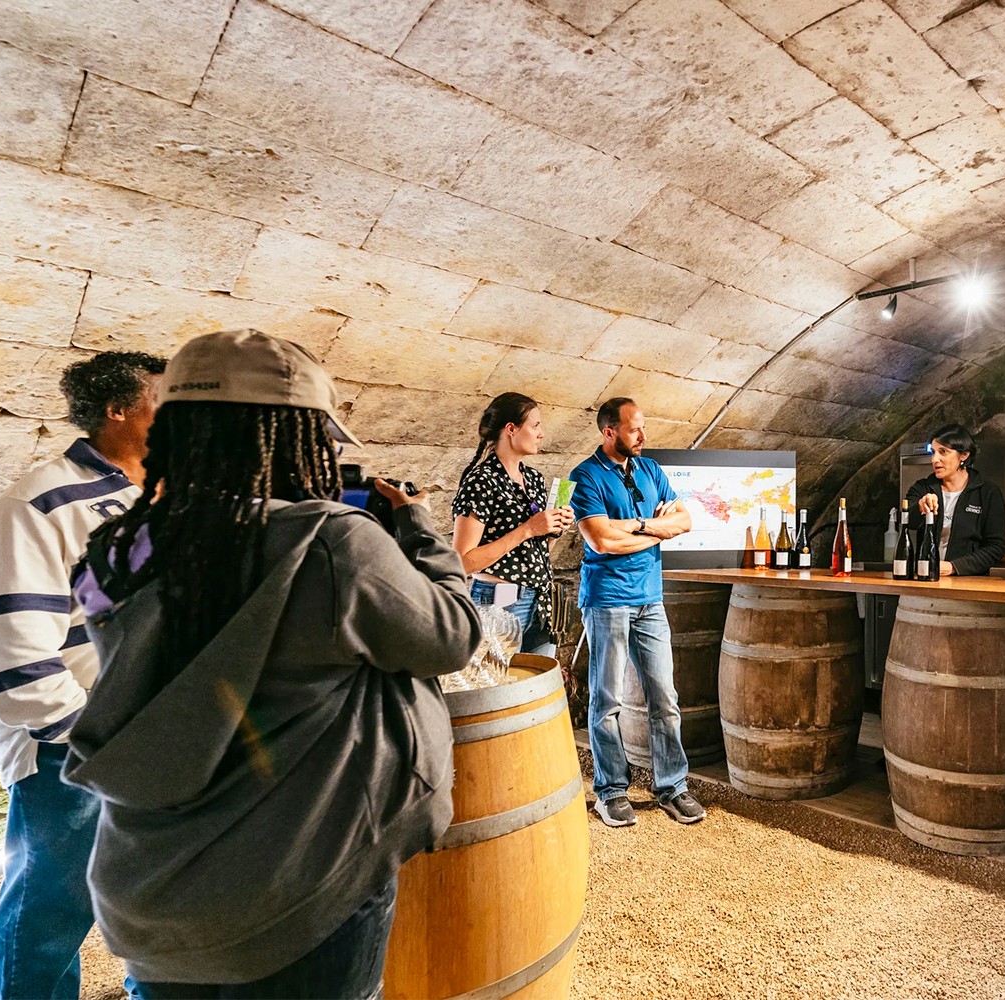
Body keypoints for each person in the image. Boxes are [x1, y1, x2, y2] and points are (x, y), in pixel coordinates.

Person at [62, 329, 482, 997]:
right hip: (300, 887)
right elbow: (451, 635)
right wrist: (419, 529)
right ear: (296, 437)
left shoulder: (119, 548)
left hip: (154, 890)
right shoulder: (333, 543)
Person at [0, 350, 164, 1000]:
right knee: (50, 915)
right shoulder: (35, 505)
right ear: (117, 410)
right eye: (164, 399)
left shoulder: (157, 496)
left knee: (153, 903)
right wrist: (94, 738)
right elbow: (16, 658)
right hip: (75, 750)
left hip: (155, 739)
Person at [570, 397, 706, 828]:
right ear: (609, 432)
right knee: (606, 701)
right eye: (634, 429)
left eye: (643, 427)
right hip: (607, 599)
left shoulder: (651, 470)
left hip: (650, 599)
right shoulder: (585, 476)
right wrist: (657, 530)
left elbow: (684, 521)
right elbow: (601, 541)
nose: (643, 436)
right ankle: (610, 792)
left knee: (665, 697)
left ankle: (672, 787)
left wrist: (639, 525)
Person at [452, 392, 574, 653]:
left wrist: (554, 528)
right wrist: (528, 529)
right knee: (497, 678)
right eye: (535, 425)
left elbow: (535, 552)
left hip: (540, 600)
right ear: (511, 429)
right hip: (499, 600)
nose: (541, 433)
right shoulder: (481, 481)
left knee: (540, 678)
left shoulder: (534, 479)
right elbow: (462, 561)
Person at [904, 423, 1005, 576]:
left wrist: (954, 567)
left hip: (968, 582)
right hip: (926, 578)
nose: (934, 459)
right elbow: (908, 523)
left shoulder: (987, 492)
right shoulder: (923, 488)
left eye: (943, 452)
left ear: (964, 455)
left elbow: (996, 547)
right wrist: (920, 506)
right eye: (933, 452)